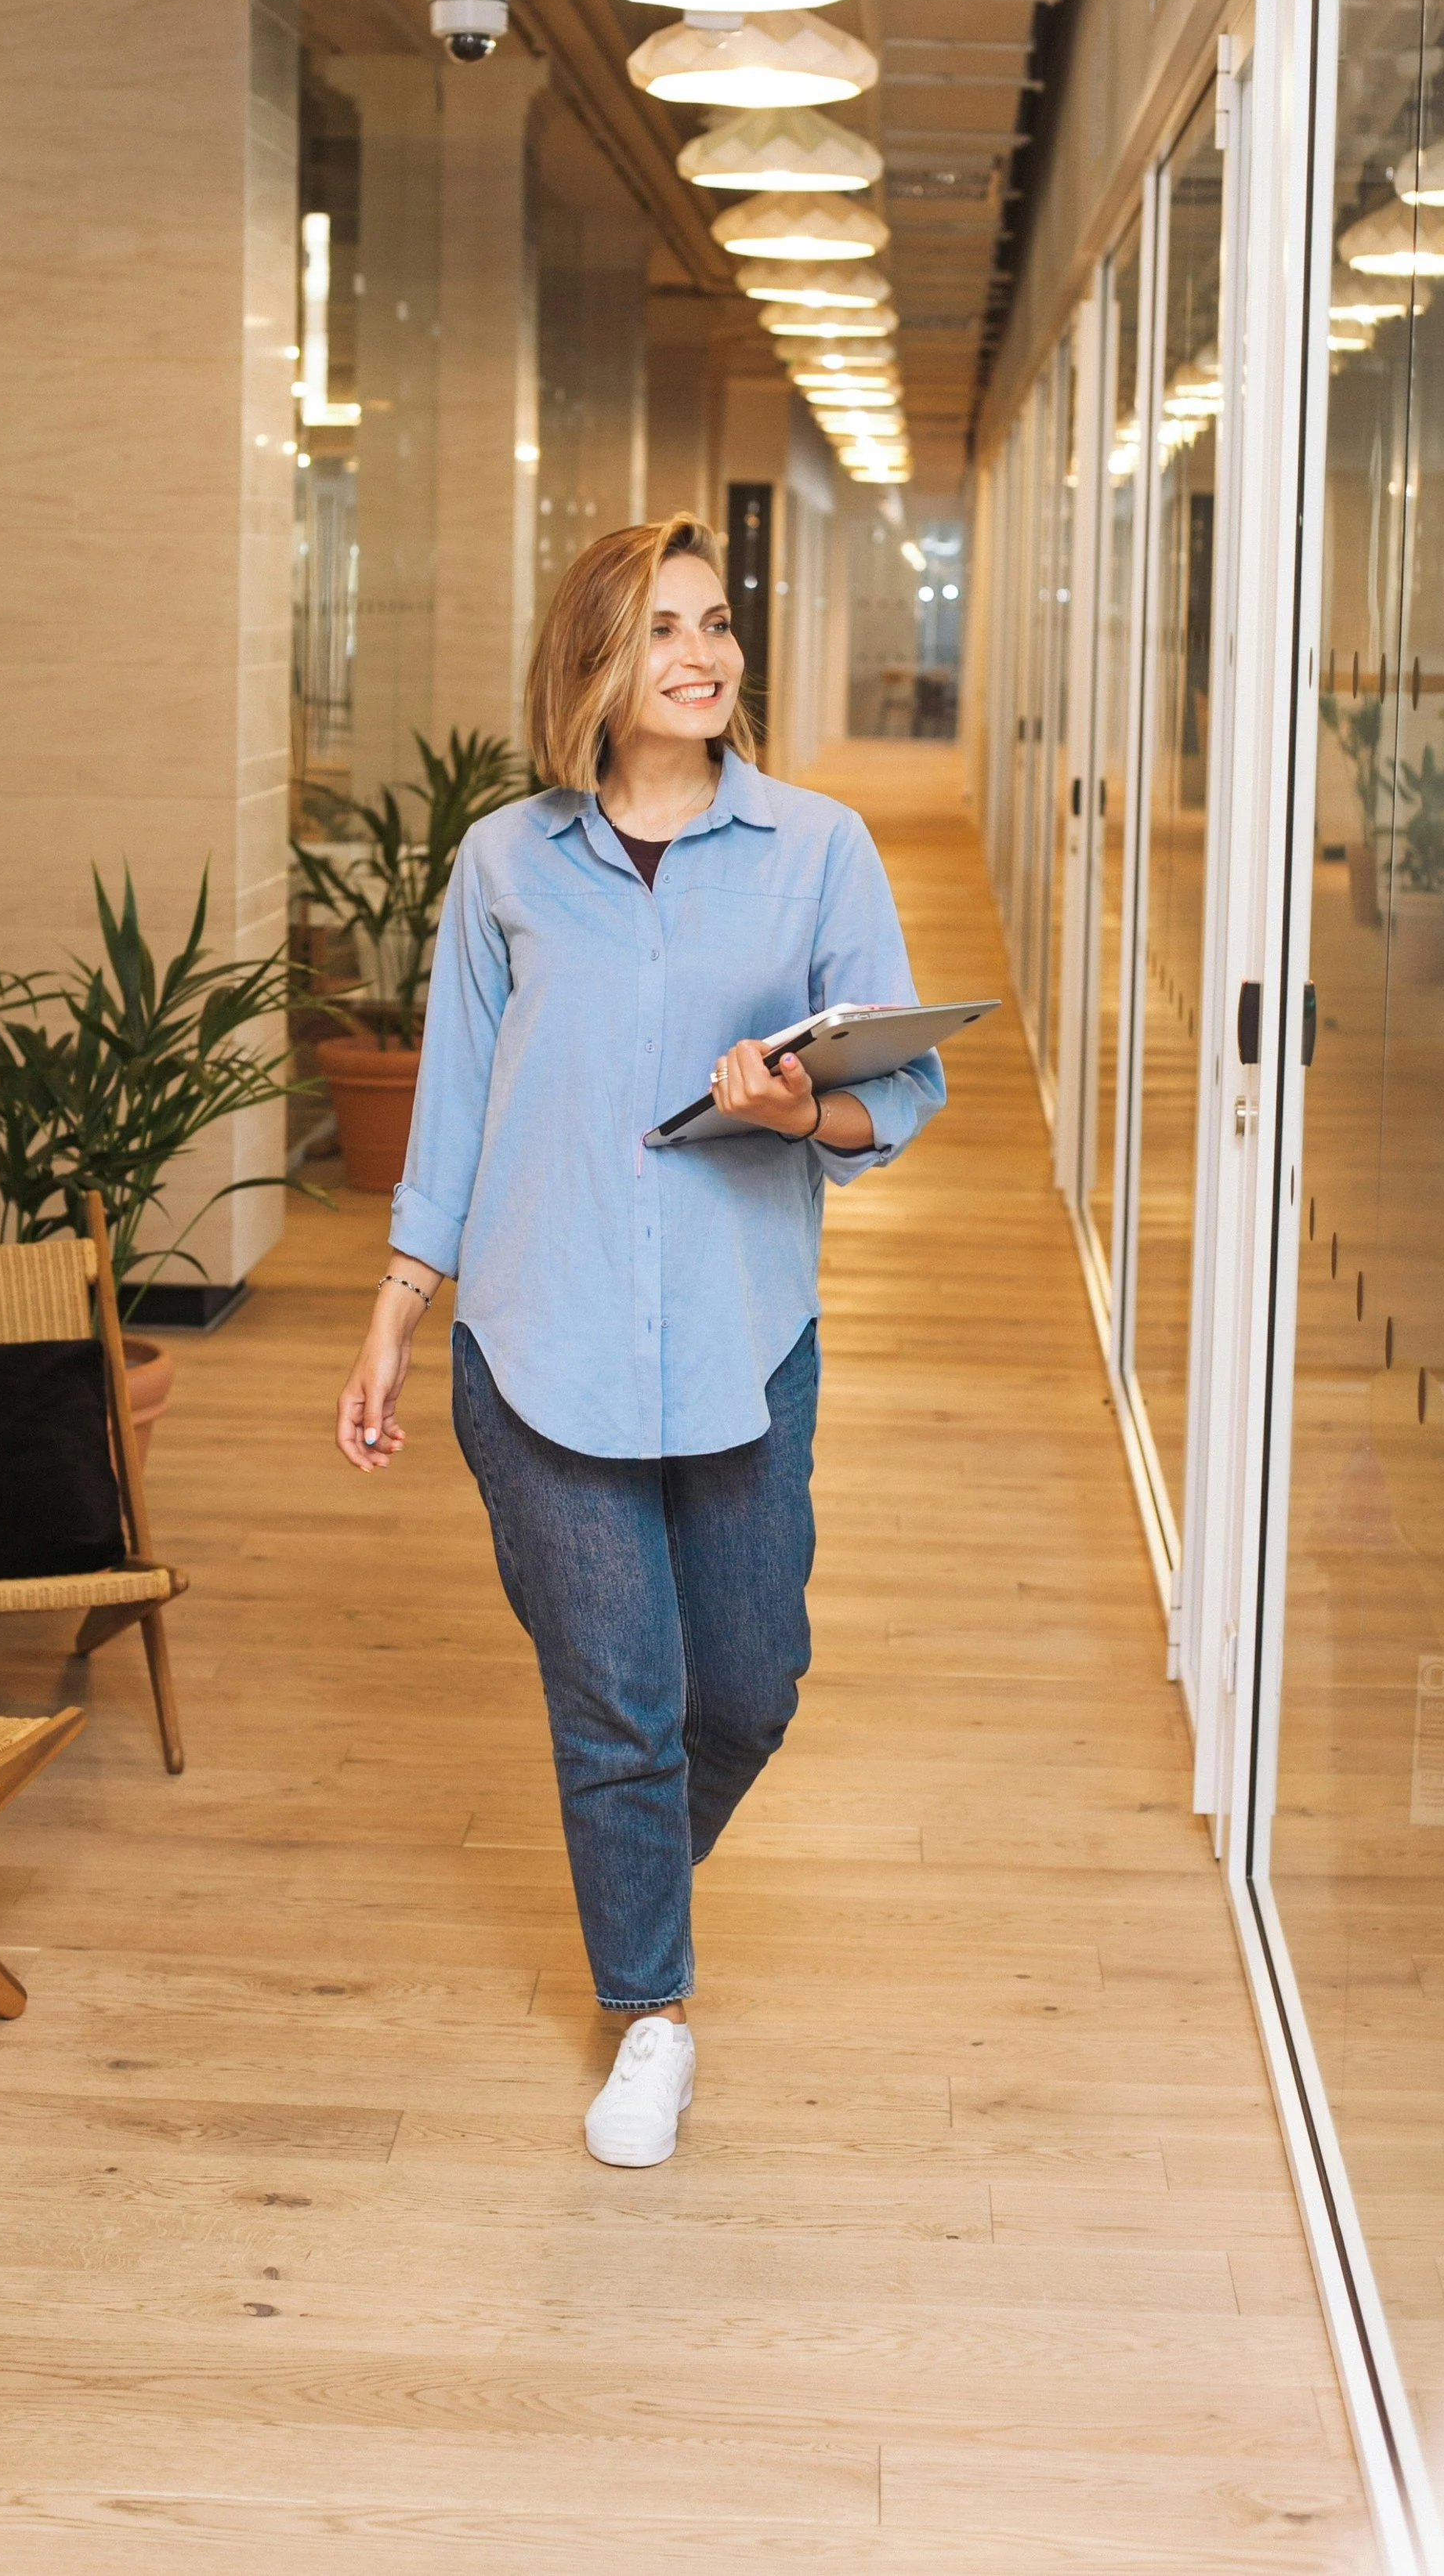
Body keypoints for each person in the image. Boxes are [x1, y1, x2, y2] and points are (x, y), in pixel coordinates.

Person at [336, 513, 944, 2166]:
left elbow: (903, 1089)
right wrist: (396, 1314)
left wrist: (800, 1101)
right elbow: (454, 1105)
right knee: (619, 1702)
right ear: (593, 666)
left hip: (745, 1342)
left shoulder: (815, 848)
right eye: (661, 628)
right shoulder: (504, 863)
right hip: (540, 1344)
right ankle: (649, 2015)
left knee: (744, 1691)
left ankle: (630, 1890)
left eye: (715, 623)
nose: (701, 654)